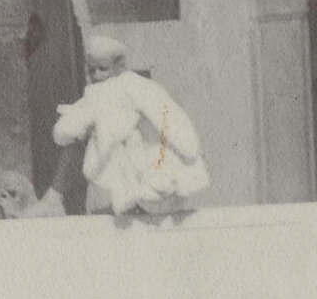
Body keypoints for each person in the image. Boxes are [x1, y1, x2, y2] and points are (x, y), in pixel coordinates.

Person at [54, 32, 211, 223]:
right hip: (108, 161)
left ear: (120, 67)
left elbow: (165, 114)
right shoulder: (97, 93)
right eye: (91, 70)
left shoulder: (136, 87)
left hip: (138, 157)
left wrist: (186, 146)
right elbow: (74, 121)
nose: (96, 75)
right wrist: (68, 130)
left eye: (102, 69)